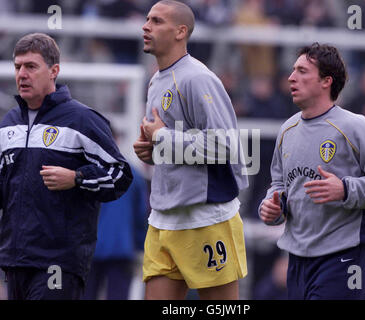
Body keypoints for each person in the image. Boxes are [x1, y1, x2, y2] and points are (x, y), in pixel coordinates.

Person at [259, 43, 365, 300]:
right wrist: (272, 206)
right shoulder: (287, 129)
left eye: (302, 71)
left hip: (343, 257)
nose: (291, 77)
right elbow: (279, 186)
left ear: (326, 81)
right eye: (293, 70)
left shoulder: (355, 127)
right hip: (298, 259)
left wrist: (346, 189)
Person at [0, 33, 133, 300]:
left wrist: (78, 177)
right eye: (18, 67)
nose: (22, 74)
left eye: (31, 66)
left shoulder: (82, 120)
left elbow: (120, 175)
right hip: (14, 260)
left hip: (58, 263)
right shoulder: (8, 123)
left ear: (54, 71)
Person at [133, 0, 249, 300]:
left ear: (180, 31)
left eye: (157, 21)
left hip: (205, 219)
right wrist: (152, 150)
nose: (146, 26)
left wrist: (162, 138)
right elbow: (172, 144)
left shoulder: (198, 78)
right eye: (147, 19)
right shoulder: (156, 80)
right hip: (162, 218)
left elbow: (225, 146)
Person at [83, 166, 148, 300]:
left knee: (86, 295)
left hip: (89, 249)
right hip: (122, 247)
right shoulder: (133, 175)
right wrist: (140, 248)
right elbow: (141, 216)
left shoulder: (85, 173)